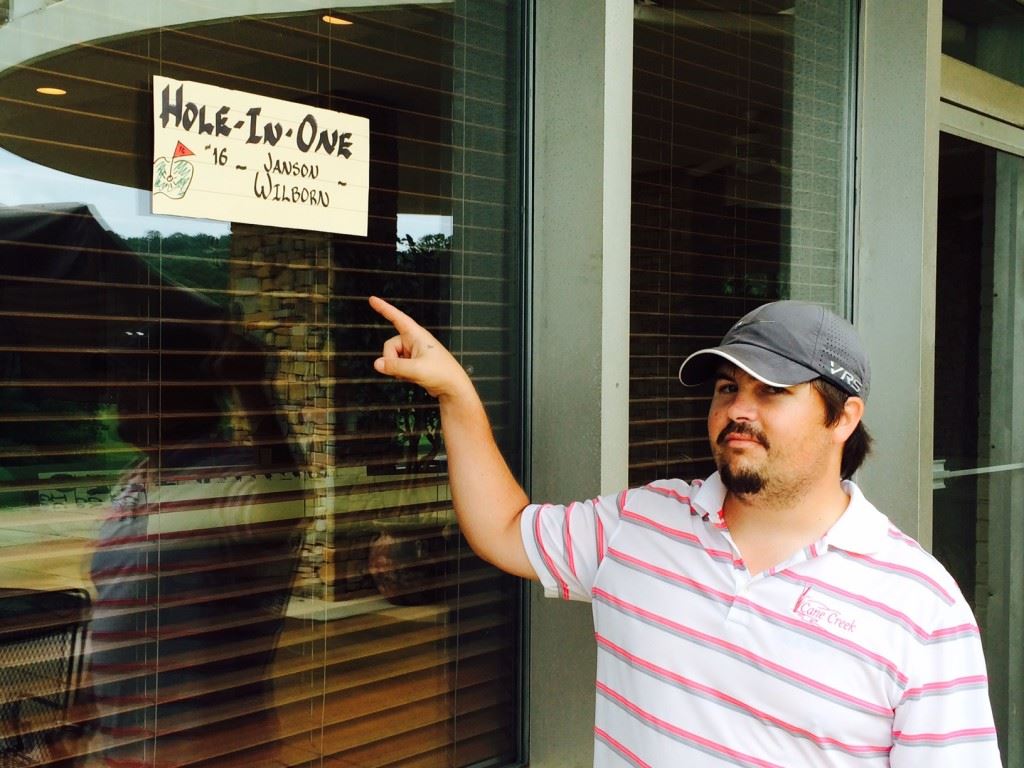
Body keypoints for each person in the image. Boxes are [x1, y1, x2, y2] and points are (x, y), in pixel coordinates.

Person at [368, 295, 1001, 767]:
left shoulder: (921, 607)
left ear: (844, 418)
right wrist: (455, 392)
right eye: (728, 388)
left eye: (772, 391)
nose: (737, 411)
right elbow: (504, 528)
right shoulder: (643, 524)